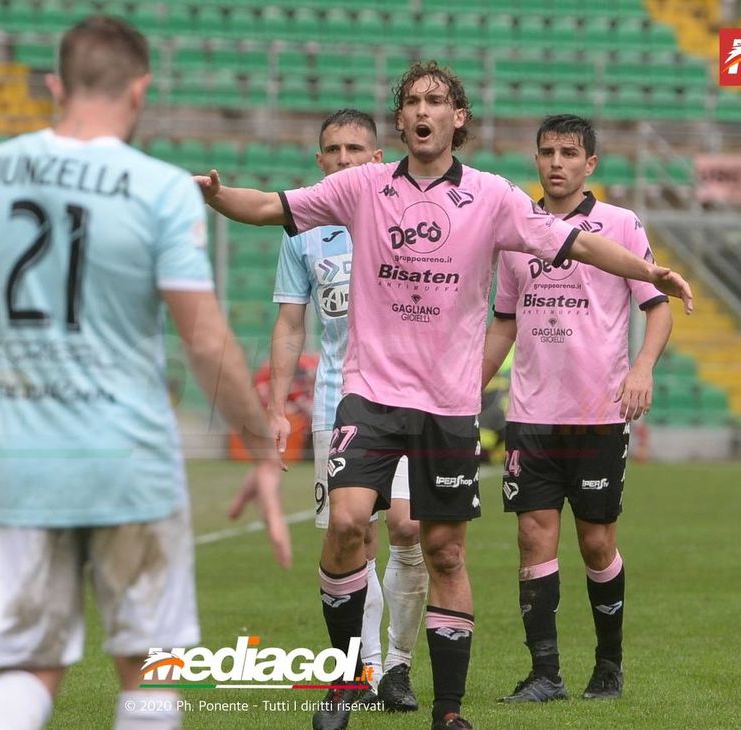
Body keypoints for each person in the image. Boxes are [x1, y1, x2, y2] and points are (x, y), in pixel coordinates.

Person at [195, 60, 692, 730]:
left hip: (449, 406)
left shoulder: (493, 197)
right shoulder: (362, 185)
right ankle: (345, 679)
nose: (422, 110)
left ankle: (448, 710)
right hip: (370, 393)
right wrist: (216, 196)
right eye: (411, 101)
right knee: (346, 522)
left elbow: (577, 244)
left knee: (445, 551)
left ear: (458, 118)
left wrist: (649, 272)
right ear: (400, 121)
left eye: (435, 100)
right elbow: (270, 207)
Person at [0, 16, 290, 730]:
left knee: (28, 667)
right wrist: (261, 445)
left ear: (55, 85)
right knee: (147, 667)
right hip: (130, 462)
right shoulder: (159, 187)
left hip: (25, 461)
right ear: (140, 89)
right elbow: (204, 338)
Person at [482, 114, 672, 704]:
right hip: (531, 415)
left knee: (596, 542)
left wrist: (642, 369)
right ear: (535, 159)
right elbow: (505, 322)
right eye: (547, 152)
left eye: (569, 153)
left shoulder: (620, 223)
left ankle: (608, 666)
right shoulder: (518, 230)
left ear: (590, 164)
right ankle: (545, 674)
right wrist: (464, 393)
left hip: (598, 412)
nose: (556, 162)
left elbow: (658, 306)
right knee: (533, 536)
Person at [268, 108, 425, 713]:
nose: (342, 159)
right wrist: (278, 408)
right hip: (337, 403)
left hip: (410, 401)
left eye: (355, 149)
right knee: (351, 535)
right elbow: (290, 324)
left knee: (409, 527)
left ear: (378, 158)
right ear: (318, 160)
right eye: (332, 150)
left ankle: (399, 667)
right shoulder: (301, 233)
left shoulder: (405, 218)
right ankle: (365, 669)